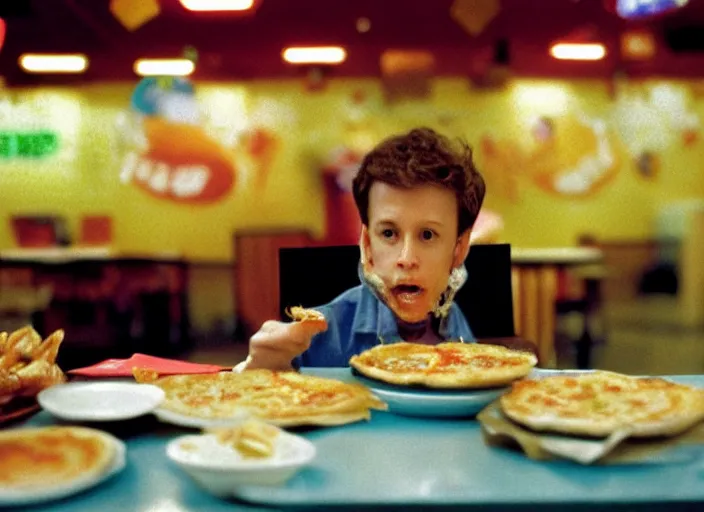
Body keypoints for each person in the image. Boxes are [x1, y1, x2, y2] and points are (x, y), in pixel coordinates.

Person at [236, 127, 486, 371]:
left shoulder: (457, 324)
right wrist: (259, 369)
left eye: (427, 235)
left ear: (459, 249)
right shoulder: (319, 335)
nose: (406, 258)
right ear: (367, 244)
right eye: (389, 233)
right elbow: (260, 395)